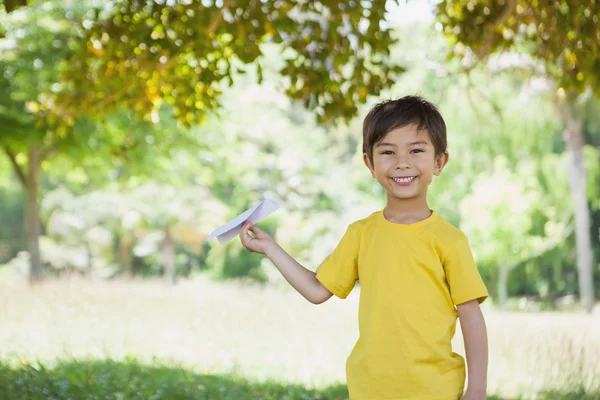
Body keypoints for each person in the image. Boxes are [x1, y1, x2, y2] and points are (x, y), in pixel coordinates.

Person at [239, 95, 489, 400]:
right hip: (370, 389)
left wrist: (476, 390)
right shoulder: (361, 234)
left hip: (436, 390)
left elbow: (471, 317)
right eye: (387, 151)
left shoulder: (449, 240)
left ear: (439, 161)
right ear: (369, 162)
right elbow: (318, 290)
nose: (402, 162)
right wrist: (270, 248)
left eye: (416, 150)